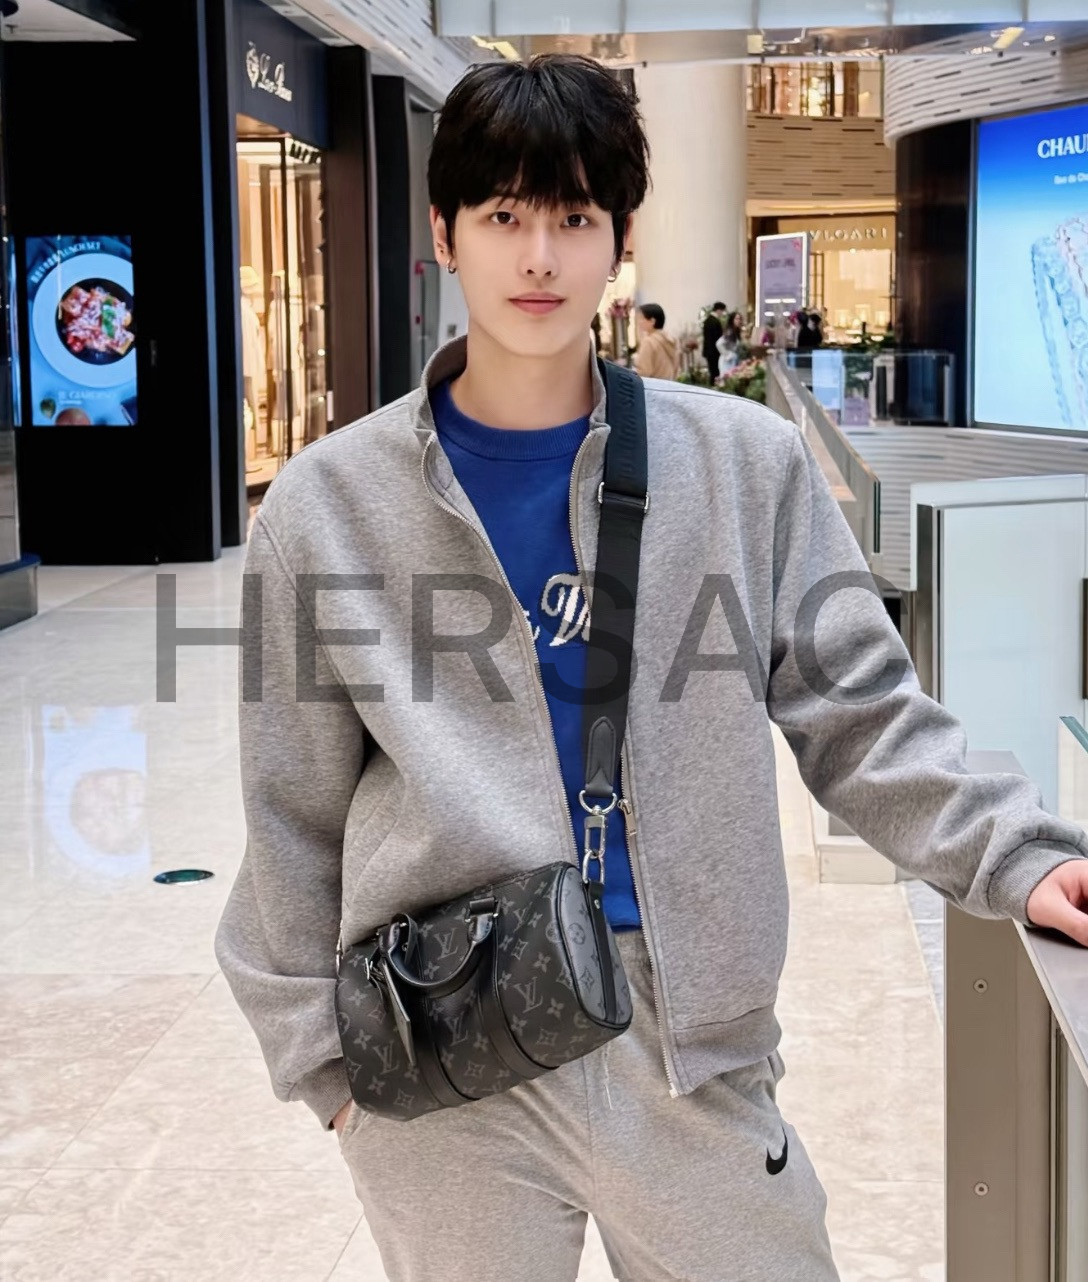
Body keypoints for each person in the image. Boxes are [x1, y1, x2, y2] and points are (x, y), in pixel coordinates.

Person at [215, 52, 1088, 1282]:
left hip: (687, 1034)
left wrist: (1016, 853)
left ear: (620, 239)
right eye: (502, 217)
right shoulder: (328, 504)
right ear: (443, 233)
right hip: (449, 1053)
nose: (537, 259)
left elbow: (861, 712)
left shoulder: (740, 464)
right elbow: (290, 811)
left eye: (573, 219)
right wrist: (327, 1073)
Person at [633, 302, 680, 380]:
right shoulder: (670, 340)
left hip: (653, 385)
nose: (639, 322)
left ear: (652, 321)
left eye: (641, 318)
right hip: (668, 384)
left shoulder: (649, 342)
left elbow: (644, 372)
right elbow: (676, 369)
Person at [701, 300, 727, 384]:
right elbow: (717, 338)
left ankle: (712, 385)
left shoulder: (707, 320)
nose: (723, 314)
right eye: (722, 311)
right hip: (714, 351)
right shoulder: (715, 322)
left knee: (712, 371)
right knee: (715, 372)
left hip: (708, 351)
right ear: (718, 310)